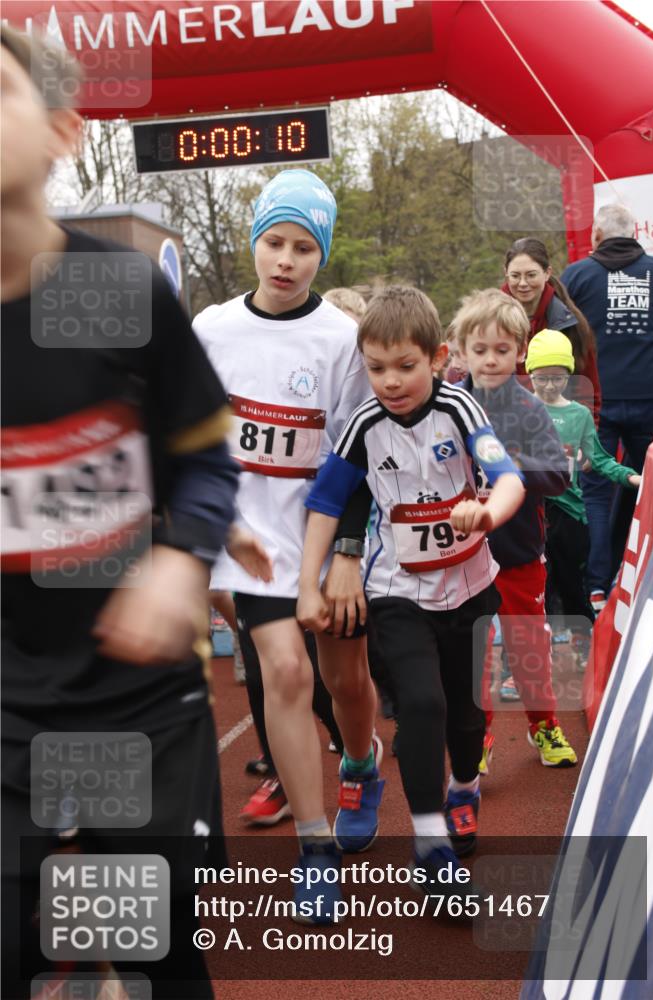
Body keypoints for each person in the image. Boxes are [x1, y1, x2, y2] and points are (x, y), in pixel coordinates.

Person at [0, 25, 270, 1000]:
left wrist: (183, 556)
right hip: (4, 702)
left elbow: (204, 459)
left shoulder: (113, 296)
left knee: (152, 952)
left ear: (60, 134)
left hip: (130, 701)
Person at [193, 169, 382, 923]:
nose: (285, 259)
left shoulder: (341, 340)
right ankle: (315, 850)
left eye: (303, 247)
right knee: (283, 677)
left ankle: (361, 767)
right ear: (254, 242)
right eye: (274, 241)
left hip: (323, 532)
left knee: (345, 681)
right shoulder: (210, 328)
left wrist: (345, 554)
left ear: (321, 256)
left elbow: (359, 452)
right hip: (251, 546)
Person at [298, 285, 525, 892]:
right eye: (376, 368)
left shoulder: (461, 411)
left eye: (405, 366)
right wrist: (307, 584)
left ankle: (464, 786)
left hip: (471, 584)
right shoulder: (363, 425)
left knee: (467, 716)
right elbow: (325, 500)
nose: (390, 382)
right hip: (398, 590)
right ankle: (429, 844)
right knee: (421, 704)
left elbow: (507, 477)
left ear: (438, 357)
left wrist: (488, 513)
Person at [451, 290, 575, 770]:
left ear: (520, 351)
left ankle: (543, 726)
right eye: (479, 349)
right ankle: (476, 738)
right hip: (461, 556)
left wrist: (512, 469)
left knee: (527, 649)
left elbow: (559, 476)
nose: (490, 359)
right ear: (461, 350)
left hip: (519, 553)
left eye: (502, 350)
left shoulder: (528, 410)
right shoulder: (449, 406)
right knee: (472, 655)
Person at [561, 204, 653, 612]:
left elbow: (565, 331)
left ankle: (597, 587)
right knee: (652, 486)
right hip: (647, 398)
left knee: (598, 494)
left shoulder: (578, 274)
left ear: (597, 236)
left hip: (598, 401)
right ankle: (645, 577)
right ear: (635, 232)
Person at [525, 329, 641, 666]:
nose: (549, 385)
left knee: (570, 582)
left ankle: (583, 645)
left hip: (569, 511)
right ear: (530, 373)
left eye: (558, 377)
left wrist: (631, 476)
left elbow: (600, 458)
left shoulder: (577, 415)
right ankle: (531, 652)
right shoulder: (519, 409)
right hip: (529, 509)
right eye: (542, 377)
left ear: (569, 375)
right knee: (535, 586)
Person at [503, 237, 601, 422]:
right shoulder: (490, 320)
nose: (522, 283)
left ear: (547, 273)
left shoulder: (570, 324)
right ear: (506, 274)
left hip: (558, 432)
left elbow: (589, 390)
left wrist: (586, 435)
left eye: (531, 275)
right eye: (515, 276)